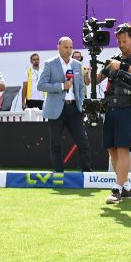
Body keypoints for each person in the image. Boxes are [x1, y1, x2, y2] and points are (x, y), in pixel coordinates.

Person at [89, 23, 131, 204]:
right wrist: (90, 70)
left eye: (125, 41)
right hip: (111, 107)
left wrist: (122, 65)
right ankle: (126, 187)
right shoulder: (114, 58)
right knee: (112, 150)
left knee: (123, 150)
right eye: (119, 41)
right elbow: (95, 79)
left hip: (128, 108)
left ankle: (117, 189)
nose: (122, 44)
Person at [38, 37, 91, 173]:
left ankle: (86, 171)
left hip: (74, 108)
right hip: (56, 109)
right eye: (65, 47)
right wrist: (62, 86)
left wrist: (80, 102)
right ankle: (58, 172)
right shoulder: (49, 63)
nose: (68, 50)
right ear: (59, 47)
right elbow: (41, 85)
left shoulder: (77, 65)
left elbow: (80, 87)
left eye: (70, 47)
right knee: (56, 144)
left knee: (83, 141)